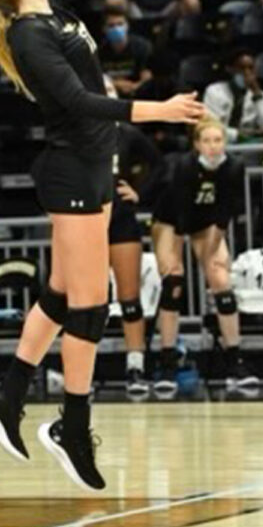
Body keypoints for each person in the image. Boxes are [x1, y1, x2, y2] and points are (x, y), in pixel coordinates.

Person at [0, 0, 204, 491]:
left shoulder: (55, 11)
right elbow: (79, 102)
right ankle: (72, 423)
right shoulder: (28, 34)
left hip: (92, 167)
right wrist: (155, 109)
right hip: (70, 170)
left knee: (65, 292)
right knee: (91, 305)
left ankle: (8, 395)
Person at [151, 118, 256, 393]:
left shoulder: (234, 167)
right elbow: (182, 213)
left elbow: (226, 212)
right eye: (207, 141)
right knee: (174, 281)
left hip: (207, 221)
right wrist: (177, 256)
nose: (212, 147)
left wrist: (211, 255)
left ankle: (235, 360)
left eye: (217, 140)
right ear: (197, 144)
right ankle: (167, 362)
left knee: (221, 278)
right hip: (171, 219)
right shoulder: (184, 166)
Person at [104, 78, 163, 398]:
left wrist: (140, 191)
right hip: (88, 221)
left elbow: (159, 163)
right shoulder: (79, 135)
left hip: (121, 220)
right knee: (86, 301)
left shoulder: (127, 134)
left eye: (111, 92)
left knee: (129, 298)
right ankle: (78, 372)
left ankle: (135, 365)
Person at [202, 50, 263, 143]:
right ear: (230, 69)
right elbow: (211, 126)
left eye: (251, 68)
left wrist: (256, 93)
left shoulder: (261, 96)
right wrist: (238, 135)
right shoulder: (214, 91)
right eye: (242, 68)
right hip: (220, 143)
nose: (247, 73)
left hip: (249, 146)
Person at [99, 5, 153, 97]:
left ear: (127, 26)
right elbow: (98, 79)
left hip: (139, 94)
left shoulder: (143, 47)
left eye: (120, 24)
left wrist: (135, 87)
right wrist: (116, 84)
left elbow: (148, 76)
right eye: (111, 25)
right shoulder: (99, 51)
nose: (116, 28)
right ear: (104, 29)